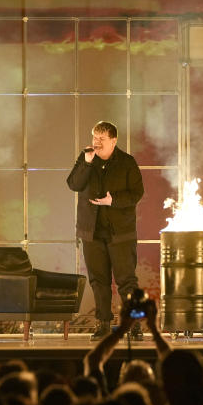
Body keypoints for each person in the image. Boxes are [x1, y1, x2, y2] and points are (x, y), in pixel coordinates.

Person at [67, 121, 144, 341]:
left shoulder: (127, 162)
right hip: (91, 232)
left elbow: (137, 193)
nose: (96, 143)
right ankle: (103, 323)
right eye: (94, 137)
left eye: (101, 139)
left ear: (113, 140)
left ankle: (134, 324)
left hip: (120, 233)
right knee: (98, 281)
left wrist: (114, 201)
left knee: (126, 281)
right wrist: (87, 164)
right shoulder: (86, 159)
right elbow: (73, 184)